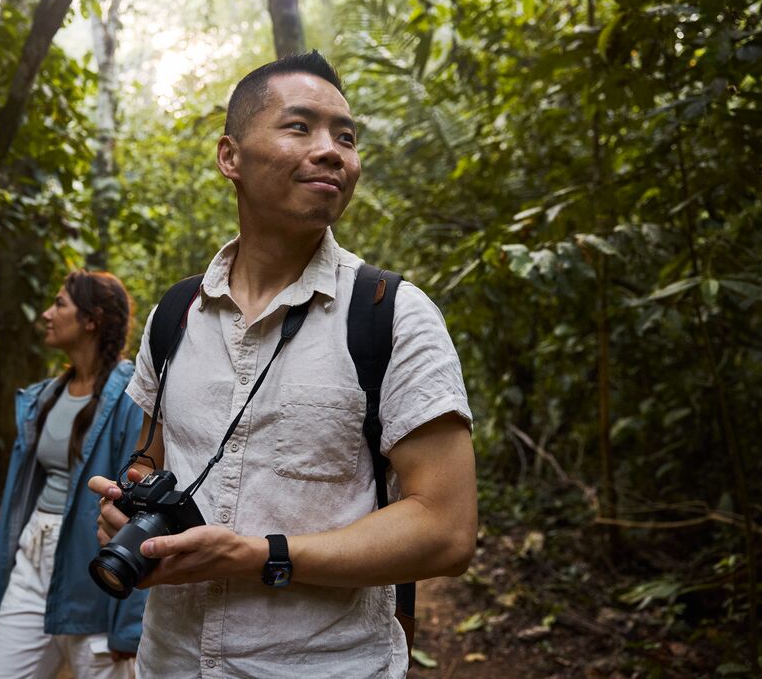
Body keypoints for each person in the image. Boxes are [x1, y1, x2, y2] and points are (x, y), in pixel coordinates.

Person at [88, 51, 478, 678]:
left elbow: (447, 529)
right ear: (230, 158)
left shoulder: (392, 314)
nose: (332, 151)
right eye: (300, 127)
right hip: (170, 664)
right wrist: (129, 502)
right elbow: (155, 456)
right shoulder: (177, 312)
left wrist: (257, 555)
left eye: (345, 137)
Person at [0, 270, 146, 679]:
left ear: (92, 320)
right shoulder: (43, 396)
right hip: (33, 559)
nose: (46, 314)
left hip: (94, 573)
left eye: (60, 304)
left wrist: (128, 624)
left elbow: (138, 509)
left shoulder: (131, 396)